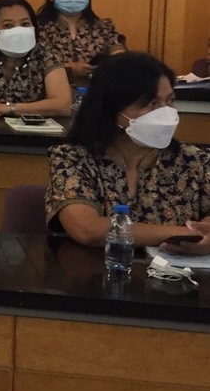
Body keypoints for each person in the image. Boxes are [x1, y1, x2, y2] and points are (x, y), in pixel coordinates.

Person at [46, 51, 210, 253]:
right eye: (152, 104)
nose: (165, 113)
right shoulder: (73, 158)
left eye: (169, 101)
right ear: (113, 107)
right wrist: (187, 234)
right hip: (96, 270)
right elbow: (87, 228)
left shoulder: (194, 160)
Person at [36, 0, 121, 85]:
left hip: (97, 92)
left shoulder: (104, 27)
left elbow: (121, 58)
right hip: (53, 93)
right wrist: (69, 69)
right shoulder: (37, 28)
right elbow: (32, 66)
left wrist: (116, 60)